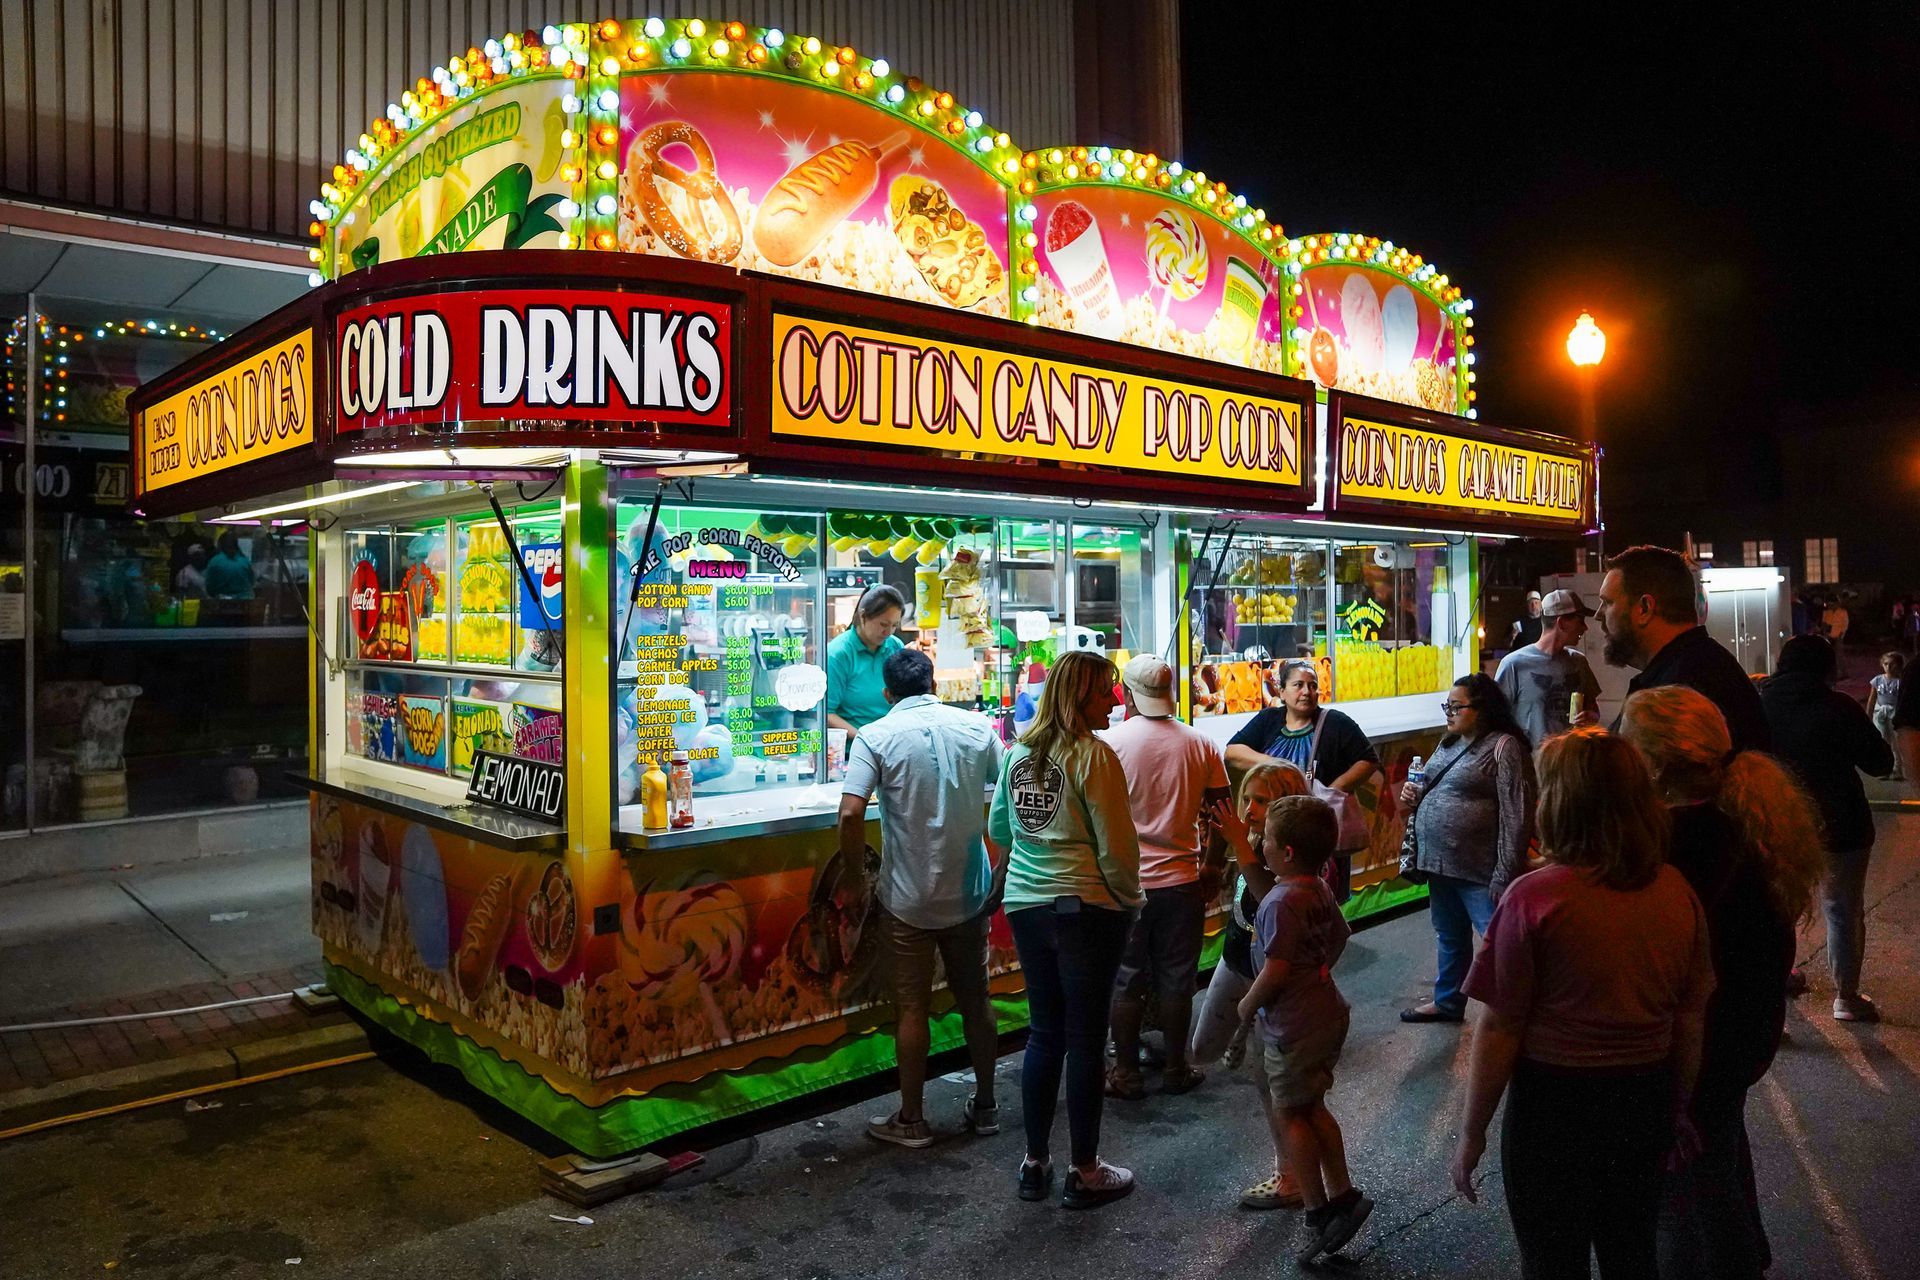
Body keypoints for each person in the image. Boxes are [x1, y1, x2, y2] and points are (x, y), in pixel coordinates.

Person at [1451, 729, 1715, 1280]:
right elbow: (1689, 1016)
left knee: (1552, 1258)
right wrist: (1678, 1104)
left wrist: (1472, 1132)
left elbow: (1499, 1027)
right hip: (1644, 1095)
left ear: (1560, 804)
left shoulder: (1535, 898)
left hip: (1555, 1107)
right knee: (1631, 1248)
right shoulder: (1675, 890)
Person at [1621, 685, 1823, 1279]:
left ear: (1654, 763)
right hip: (1741, 1036)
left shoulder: (1677, 846)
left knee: (1684, 1194)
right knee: (1719, 1159)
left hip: (1698, 1048)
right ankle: (1744, 1255)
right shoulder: (1747, 821)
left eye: (1625, 744)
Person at [988, 649, 1143, 1209]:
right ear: (1081, 696)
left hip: (1026, 905)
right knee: (1084, 1039)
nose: (1115, 700)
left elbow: (1000, 826)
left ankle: (1034, 1164)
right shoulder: (1094, 757)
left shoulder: (1017, 753)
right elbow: (1117, 847)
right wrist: (1130, 901)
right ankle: (1084, 1170)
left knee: (1044, 1032)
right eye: (1106, 690)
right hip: (1085, 908)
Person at [839, 648, 1007, 1148]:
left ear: (887, 693)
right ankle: (987, 1106)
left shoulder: (876, 735)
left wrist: (853, 877)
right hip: (970, 890)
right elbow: (1012, 791)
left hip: (907, 897)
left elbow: (850, 814)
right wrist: (1003, 863)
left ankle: (911, 1120)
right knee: (976, 1000)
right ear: (933, 682)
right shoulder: (977, 728)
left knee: (911, 1008)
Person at [1237, 795, 1373, 1264]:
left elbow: (1274, 970)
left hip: (1291, 1025)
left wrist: (1246, 1004)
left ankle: (1317, 1211)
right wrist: (1316, 973)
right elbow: (1340, 935)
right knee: (1313, 1107)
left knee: (1291, 1113)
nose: (1262, 846)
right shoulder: (1315, 887)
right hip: (1324, 1011)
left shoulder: (1277, 902)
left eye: (1267, 840)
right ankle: (1343, 1195)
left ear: (1287, 852)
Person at [1099, 655, 1231, 1100]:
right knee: (1178, 977)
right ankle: (1177, 1067)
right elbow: (1222, 815)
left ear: (1129, 696)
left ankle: (1126, 1072)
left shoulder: (1110, 744)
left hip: (1125, 885)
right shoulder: (1201, 743)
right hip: (1182, 881)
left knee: (1127, 978)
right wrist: (1212, 864)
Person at [1194, 760, 1314, 1210]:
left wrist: (1242, 847)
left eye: (1260, 801)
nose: (1249, 808)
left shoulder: (1293, 851)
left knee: (1271, 1084)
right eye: (1248, 798)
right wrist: (1217, 850)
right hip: (1236, 958)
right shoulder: (1258, 842)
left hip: (1272, 981)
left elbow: (1273, 898)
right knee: (1203, 1047)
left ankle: (1292, 1179)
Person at [1759, 635, 1893, 1021]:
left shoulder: (1759, 704)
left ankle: (1778, 983)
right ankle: (1846, 999)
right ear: (1825, 667)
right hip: (1841, 826)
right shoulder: (1839, 707)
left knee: (1776, 909)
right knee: (1842, 909)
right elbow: (1880, 763)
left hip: (1778, 823)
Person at [1398, 673, 1536, 1024]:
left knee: (1499, 942)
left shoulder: (1504, 748)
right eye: (1448, 705)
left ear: (1482, 708)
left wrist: (1505, 873)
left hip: (1480, 869)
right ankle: (1447, 1002)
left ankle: (1517, 1009)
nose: (1449, 712)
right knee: (1449, 936)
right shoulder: (1448, 743)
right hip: (1440, 863)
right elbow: (1426, 785)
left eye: (1456, 706)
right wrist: (1412, 796)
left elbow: (1516, 814)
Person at [1225, 658, 1379, 900]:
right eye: (1298, 685)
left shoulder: (1335, 723)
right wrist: (1276, 766)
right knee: (1271, 896)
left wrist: (1335, 789)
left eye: (1312, 685)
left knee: (1319, 901)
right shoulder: (1269, 720)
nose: (1307, 692)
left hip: (1316, 832)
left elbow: (1369, 760)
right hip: (1272, 833)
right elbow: (1232, 751)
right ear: (1281, 691)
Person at [1597, 544, 1771, 753]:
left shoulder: (1679, 691)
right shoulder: (1701, 665)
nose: (1598, 614)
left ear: (1644, 608)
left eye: (1607, 603)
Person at [1495, 588, 1603, 745]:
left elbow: (1593, 709)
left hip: (1570, 761)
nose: (1585, 628)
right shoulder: (1513, 665)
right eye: (1580, 620)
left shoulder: (1578, 662)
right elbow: (1497, 720)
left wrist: (1591, 716)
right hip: (1532, 765)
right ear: (1561, 623)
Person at [825, 585, 907, 740]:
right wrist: (865, 740)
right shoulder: (838, 654)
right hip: (855, 749)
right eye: (883, 624)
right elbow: (827, 713)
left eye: (894, 625)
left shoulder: (895, 646)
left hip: (893, 743)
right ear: (863, 616)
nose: (888, 632)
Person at [1867, 651, 1905, 780]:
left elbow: (1902, 700)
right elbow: (1872, 698)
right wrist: (1868, 714)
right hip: (1880, 713)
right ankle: (1884, 769)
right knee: (1882, 740)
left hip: (1894, 713)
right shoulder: (1877, 680)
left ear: (1898, 665)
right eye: (1885, 664)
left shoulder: (1900, 682)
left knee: (1895, 742)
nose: (1888, 667)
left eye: (1892, 664)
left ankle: (1897, 769)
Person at [202, 530, 255, 600]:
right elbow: (251, 582)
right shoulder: (245, 561)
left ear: (220, 544)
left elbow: (209, 585)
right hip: (244, 603)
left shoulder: (215, 561)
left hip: (221, 603)